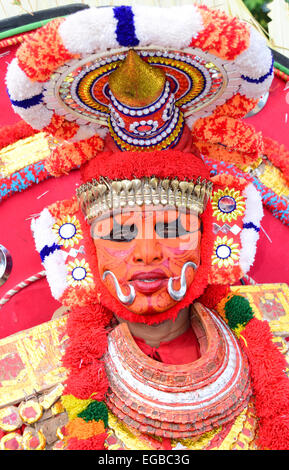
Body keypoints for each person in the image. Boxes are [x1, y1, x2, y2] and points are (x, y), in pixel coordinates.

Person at [6, 4, 289, 450]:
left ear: (218, 238)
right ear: (78, 246)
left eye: (173, 227)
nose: (147, 254)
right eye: (120, 233)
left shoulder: (280, 340)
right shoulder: (22, 385)